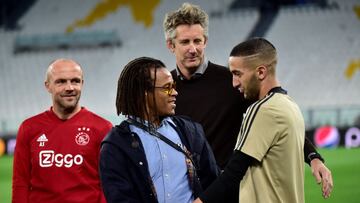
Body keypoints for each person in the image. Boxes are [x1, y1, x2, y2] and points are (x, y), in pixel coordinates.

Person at [163, 2, 333, 198]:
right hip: (185, 191)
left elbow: (278, 121)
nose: (193, 49)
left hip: (228, 191)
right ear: (171, 45)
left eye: (197, 41)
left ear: (205, 41)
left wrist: (313, 157)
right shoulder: (162, 89)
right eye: (185, 42)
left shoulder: (234, 82)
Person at [194, 37, 305, 203]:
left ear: (260, 72)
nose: (234, 83)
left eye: (238, 74)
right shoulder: (290, 105)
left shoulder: (262, 109)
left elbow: (233, 173)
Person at [99, 57, 219, 203]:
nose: (175, 93)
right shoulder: (116, 145)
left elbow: (213, 182)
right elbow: (120, 198)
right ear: (143, 93)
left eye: (173, 86)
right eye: (167, 88)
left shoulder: (191, 130)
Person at [12, 59, 112, 203]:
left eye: (75, 81)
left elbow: (108, 185)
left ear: (82, 84)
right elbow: (21, 183)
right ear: (48, 86)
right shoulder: (29, 128)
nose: (69, 87)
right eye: (61, 82)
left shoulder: (103, 128)